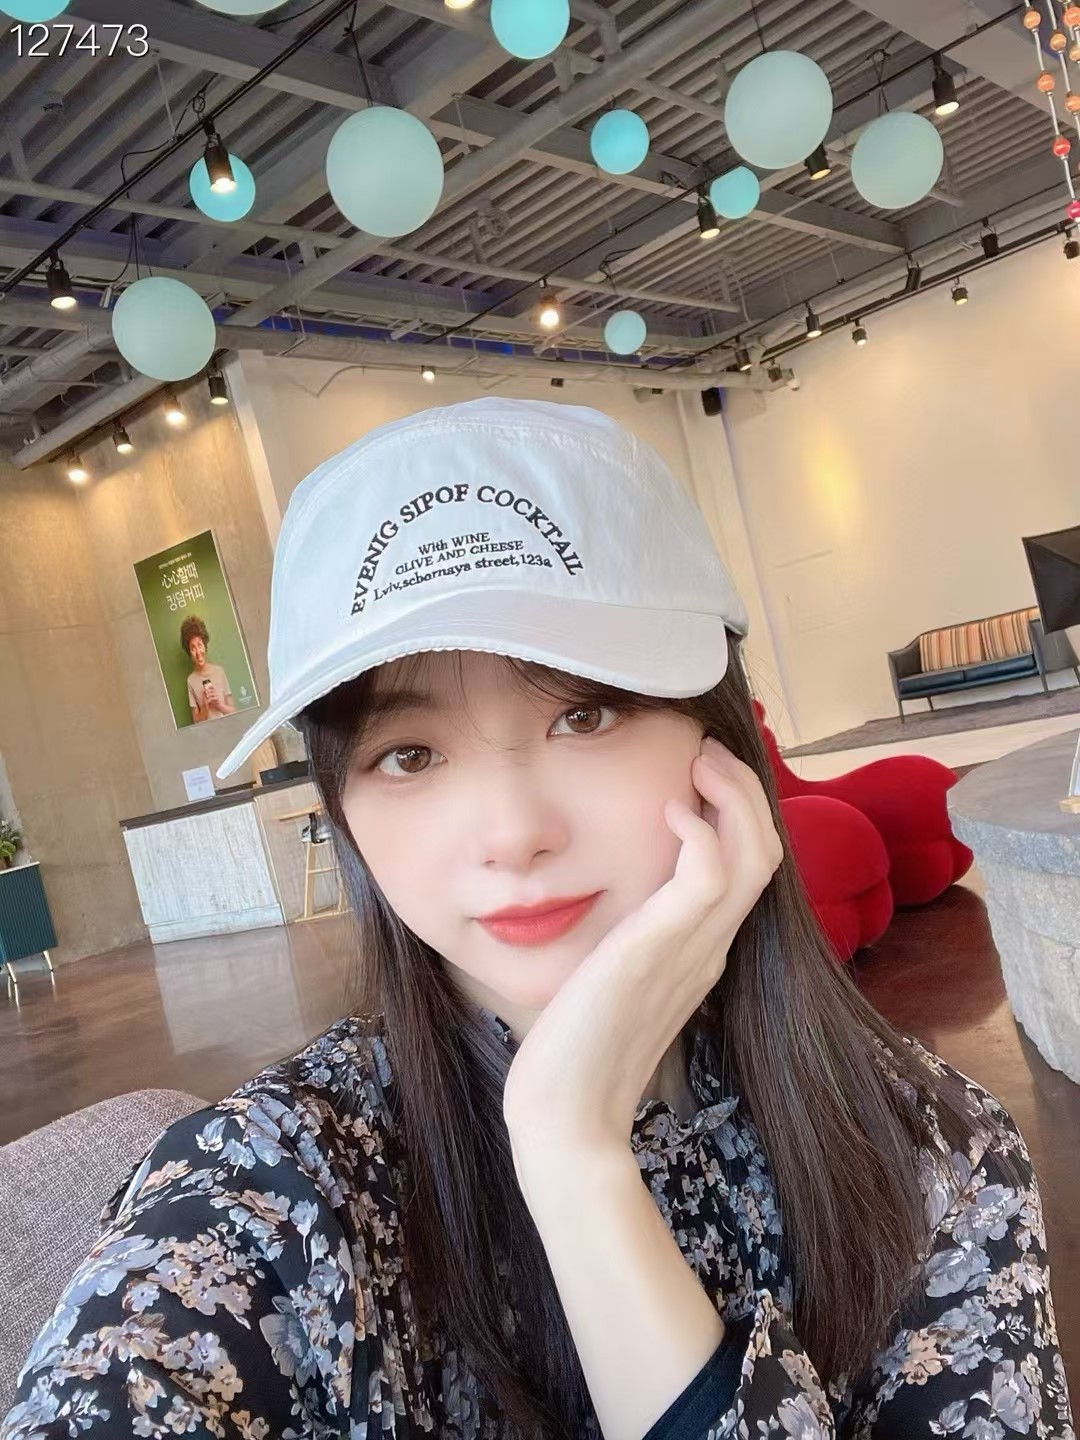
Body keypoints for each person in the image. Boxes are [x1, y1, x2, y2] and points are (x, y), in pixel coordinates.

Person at [2, 400, 1073, 1440]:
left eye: (584, 714)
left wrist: (575, 1156)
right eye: (408, 755)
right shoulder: (270, 1188)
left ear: (723, 740)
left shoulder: (933, 1151)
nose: (511, 834)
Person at [181, 614, 235, 723]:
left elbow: (233, 711)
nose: (198, 652)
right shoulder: (190, 680)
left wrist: (218, 704)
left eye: (199, 645)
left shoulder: (219, 672)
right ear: (189, 652)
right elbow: (196, 721)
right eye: (193, 648)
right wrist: (205, 708)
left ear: (205, 646)